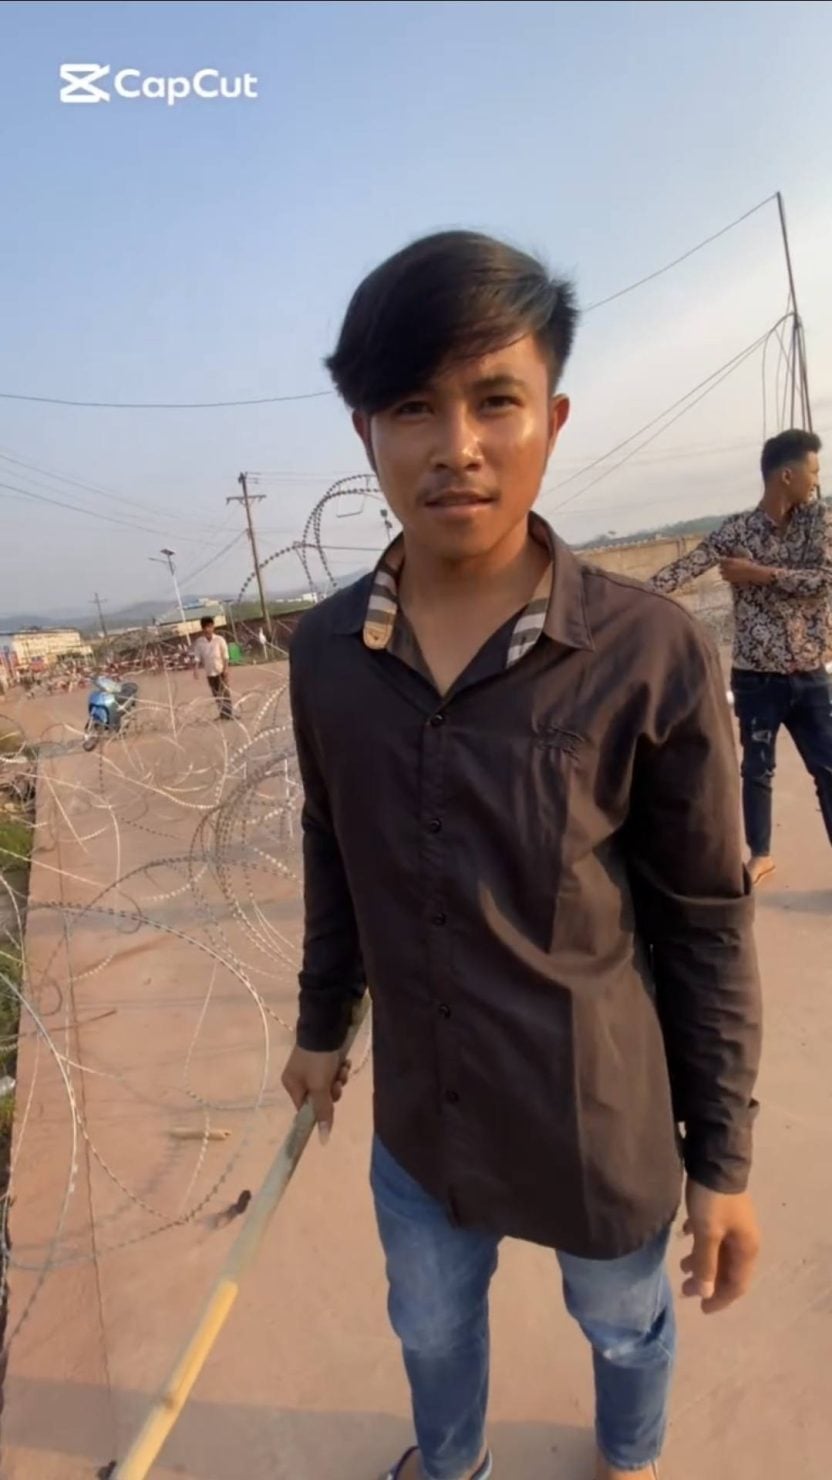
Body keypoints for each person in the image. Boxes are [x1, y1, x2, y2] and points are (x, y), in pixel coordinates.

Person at [282, 232, 762, 1480]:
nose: (457, 445)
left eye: (494, 400)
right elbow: (332, 842)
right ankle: (451, 1464)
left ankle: (631, 1452)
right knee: (430, 1327)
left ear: (550, 418)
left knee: (624, 1323)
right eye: (412, 406)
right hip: (422, 1123)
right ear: (365, 433)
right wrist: (321, 1023)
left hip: (595, 1121)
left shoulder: (646, 653)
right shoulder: (326, 655)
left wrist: (720, 1161)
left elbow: (704, 923)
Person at [650, 429, 830, 887]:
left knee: (828, 768)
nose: (817, 479)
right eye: (812, 471)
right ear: (786, 475)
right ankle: (761, 855)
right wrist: (622, 597)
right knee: (757, 770)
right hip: (756, 678)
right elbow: (686, 568)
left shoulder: (819, 521)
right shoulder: (737, 530)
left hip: (810, 672)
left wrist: (758, 573)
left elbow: (824, 580)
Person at [193, 615, 233, 719]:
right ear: (202, 628)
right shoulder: (199, 642)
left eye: (209, 627)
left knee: (224, 692)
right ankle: (222, 714)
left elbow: (225, 655)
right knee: (216, 694)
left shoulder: (219, 640)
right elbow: (197, 657)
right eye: (205, 627)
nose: (207, 629)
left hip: (220, 670)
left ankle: (229, 714)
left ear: (213, 627)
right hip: (210, 672)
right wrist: (196, 669)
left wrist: (226, 668)